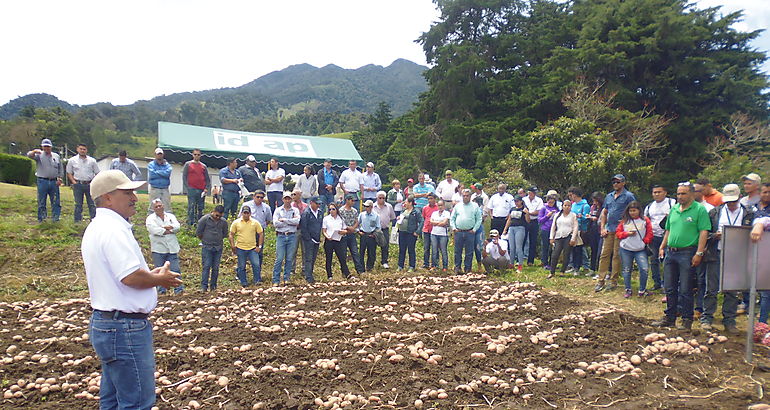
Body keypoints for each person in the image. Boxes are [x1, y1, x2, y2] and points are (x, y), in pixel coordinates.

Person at [82, 169, 181, 409]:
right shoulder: (113, 230)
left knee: (114, 400)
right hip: (124, 328)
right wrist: (160, 280)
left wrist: (152, 275)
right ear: (107, 197)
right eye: (127, 193)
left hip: (108, 324)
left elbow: (122, 275)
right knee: (136, 402)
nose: (135, 198)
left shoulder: (98, 227)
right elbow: (129, 277)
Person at [652, 182, 711, 331]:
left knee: (686, 288)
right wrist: (662, 246)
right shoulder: (674, 209)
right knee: (669, 287)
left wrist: (699, 252)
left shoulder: (699, 210)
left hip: (687, 252)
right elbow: (668, 229)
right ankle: (670, 317)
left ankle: (686, 319)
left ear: (691, 194)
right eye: (678, 194)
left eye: (683, 193)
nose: (680, 196)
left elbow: (704, 231)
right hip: (671, 252)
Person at [701, 184, 751, 333]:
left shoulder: (748, 214)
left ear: (740, 197)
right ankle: (707, 318)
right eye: (728, 201)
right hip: (716, 253)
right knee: (711, 288)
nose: (730, 204)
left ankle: (729, 321)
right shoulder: (715, 213)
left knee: (732, 289)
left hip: (736, 255)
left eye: (733, 201)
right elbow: (705, 233)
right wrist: (714, 236)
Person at [595, 174, 637, 292]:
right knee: (604, 255)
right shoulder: (609, 196)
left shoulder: (629, 196)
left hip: (620, 230)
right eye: (614, 182)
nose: (615, 184)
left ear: (623, 183)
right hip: (609, 229)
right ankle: (601, 280)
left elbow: (634, 210)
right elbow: (604, 212)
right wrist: (602, 227)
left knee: (616, 256)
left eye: (618, 182)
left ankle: (613, 281)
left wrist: (626, 223)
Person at [615, 201, 653, 298]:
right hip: (626, 248)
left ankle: (642, 289)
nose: (632, 213)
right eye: (630, 211)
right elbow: (618, 233)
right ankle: (628, 289)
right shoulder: (624, 221)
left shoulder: (645, 220)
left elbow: (650, 232)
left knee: (644, 268)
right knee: (627, 269)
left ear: (638, 211)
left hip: (640, 249)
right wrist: (627, 234)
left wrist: (646, 241)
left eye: (634, 211)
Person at [146, 198, 183, 295]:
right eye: (156, 207)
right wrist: (167, 229)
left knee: (175, 269)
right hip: (158, 249)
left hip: (172, 248)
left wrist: (166, 228)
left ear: (163, 206)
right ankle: (161, 291)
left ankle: (179, 290)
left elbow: (177, 226)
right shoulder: (150, 218)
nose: (159, 208)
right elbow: (154, 230)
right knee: (160, 270)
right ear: (153, 209)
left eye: (160, 205)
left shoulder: (170, 216)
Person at [644, 185, 676, 291]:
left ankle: (667, 284)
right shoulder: (650, 206)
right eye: (654, 192)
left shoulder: (672, 203)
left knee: (667, 261)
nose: (656, 194)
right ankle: (656, 282)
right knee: (653, 260)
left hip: (668, 236)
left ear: (665, 192)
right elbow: (646, 220)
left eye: (659, 192)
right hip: (654, 236)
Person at [27, 138, 62, 222]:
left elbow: (60, 168)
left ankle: (55, 218)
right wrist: (34, 151)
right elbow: (29, 155)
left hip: (54, 181)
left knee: (55, 201)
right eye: (45, 147)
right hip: (42, 181)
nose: (46, 148)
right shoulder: (39, 155)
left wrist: (60, 178)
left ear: (51, 147)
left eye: (48, 147)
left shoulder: (56, 156)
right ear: (42, 147)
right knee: (42, 201)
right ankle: (42, 219)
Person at [229, 205, 264, 287]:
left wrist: (259, 246)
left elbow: (261, 233)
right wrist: (232, 245)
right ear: (241, 213)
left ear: (250, 213)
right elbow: (231, 234)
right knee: (241, 266)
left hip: (252, 248)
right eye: (244, 213)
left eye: (247, 213)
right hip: (240, 248)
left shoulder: (255, 223)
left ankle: (257, 280)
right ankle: (243, 282)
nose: (246, 215)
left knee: (256, 264)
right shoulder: (236, 223)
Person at [196, 205, 228, 292]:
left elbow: (225, 233)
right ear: (213, 212)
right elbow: (199, 232)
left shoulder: (223, 222)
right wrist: (205, 239)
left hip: (218, 247)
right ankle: (204, 287)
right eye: (216, 215)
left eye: (220, 216)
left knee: (216, 267)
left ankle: (213, 287)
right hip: (207, 246)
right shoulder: (204, 219)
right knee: (206, 266)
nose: (217, 217)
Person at [66, 143, 100, 222]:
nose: (82, 151)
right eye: (81, 149)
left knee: (92, 204)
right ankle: (77, 221)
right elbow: (69, 172)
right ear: (77, 149)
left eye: (84, 149)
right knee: (78, 204)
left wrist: (93, 182)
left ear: (86, 150)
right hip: (78, 184)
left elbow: (97, 172)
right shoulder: (72, 160)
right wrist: (74, 182)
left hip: (89, 185)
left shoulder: (92, 161)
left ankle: (94, 220)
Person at [451, 189, 482, 274]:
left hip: (470, 232)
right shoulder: (458, 206)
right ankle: (457, 268)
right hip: (459, 231)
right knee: (458, 251)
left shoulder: (475, 206)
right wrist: (454, 228)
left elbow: (479, 219)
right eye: (464, 196)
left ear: (470, 196)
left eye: (467, 196)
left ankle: (468, 268)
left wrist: (474, 229)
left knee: (469, 252)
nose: (465, 197)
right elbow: (452, 218)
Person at [272, 192, 301, 285]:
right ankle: (276, 280)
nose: (287, 200)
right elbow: (276, 224)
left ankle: (286, 278)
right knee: (279, 258)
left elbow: (297, 221)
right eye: (286, 198)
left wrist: (284, 220)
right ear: (283, 199)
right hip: (281, 235)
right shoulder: (278, 210)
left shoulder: (295, 210)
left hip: (292, 235)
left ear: (291, 199)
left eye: (289, 198)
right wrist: (290, 222)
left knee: (289, 258)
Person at [240, 189, 272, 273]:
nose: (259, 199)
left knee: (259, 252)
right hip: (247, 232)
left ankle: (257, 274)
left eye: (261, 197)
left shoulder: (266, 207)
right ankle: (241, 273)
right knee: (244, 253)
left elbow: (268, 220)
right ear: (254, 197)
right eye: (257, 197)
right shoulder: (246, 205)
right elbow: (240, 217)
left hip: (259, 233)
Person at [549, 200, 579, 278]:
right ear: (562, 206)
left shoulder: (573, 215)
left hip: (568, 236)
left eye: (568, 205)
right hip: (558, 236)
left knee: (566, 254)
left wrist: (573, 238)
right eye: (565, 205)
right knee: (555, 254)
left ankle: (562, 271)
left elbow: (575, 227)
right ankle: (552, 272)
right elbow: (553, 226)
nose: (567, 207)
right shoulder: (558, 215)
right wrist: (551, 237)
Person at [322, 203, 352, 280]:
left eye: (333, 209)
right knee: (329, 258)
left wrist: (343, 232)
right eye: (330, 209)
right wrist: (327, 236)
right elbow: (324, 230)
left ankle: (347, 273)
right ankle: (329, 275)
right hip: (329, 240)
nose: (331, 211)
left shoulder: (340, 218)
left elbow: (345, 229)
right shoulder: (326, 219)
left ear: (336, 210)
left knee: (342, 257)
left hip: (338, 240)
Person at [182, 149, 211, 226]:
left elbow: (207, 179)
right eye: (195, 154)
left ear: (200, 155)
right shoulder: (188, 164)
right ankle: (190, 224)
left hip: (201, 190)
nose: (196, 156)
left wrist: (206, 189)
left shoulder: (203, 166)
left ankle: (199, 224)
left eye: (198, 154)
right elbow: (184, 177)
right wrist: (187, 188)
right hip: (191, 189)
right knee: (191, 207)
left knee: (200, 208)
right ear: (192, 155)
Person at [339, 194, 366, 275]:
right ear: (347, 200)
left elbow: (357, 221)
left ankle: (359, 270)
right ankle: (344, 272)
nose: (353, 202)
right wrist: (348, 228)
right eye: (352, 200)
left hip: (352, 234)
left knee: (355, 252)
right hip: (344, 234)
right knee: (343, 254)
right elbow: (340, 222)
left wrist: (353, 228)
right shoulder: (341, 211)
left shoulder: (354, 210)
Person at [299, 197, 323, 283]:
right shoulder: (306, 213)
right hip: (308, 239)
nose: (318, 205)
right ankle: (308, 277)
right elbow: (304, 228)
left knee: (313, 258)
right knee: (308, 258)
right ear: (311, 203)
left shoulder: (320, 213)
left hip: (316, 239)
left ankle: (310, 273)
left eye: (319, 204)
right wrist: (309, 239)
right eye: (317, 204)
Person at [567, 187, 591, 275]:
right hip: (573, 229)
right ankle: (573, 265)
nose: (570, 197)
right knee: (573, 249)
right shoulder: (573, 205)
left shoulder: (585, 205)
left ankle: (585, 266)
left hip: (581, 230)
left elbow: (587, 218)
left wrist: (581, 216)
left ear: (575, 195)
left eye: (571, 195)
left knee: (581, 249)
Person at [396, 196, 422, 271]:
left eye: (406, 202)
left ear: (410, 203)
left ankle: (412, 266)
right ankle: (400, 265)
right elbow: (401, 218)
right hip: (402, 232)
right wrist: (398, 218)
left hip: (411, 233)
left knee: (411, 249)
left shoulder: (416, 211)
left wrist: (417, 231)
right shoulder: (403, 211)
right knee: (402, 249)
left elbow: (421, 221)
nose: (405, 203)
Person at [502, 196, 527, 271]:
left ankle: (520, 264)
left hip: (520, 228)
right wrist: (505, 230)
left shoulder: (524, 209)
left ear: (521, 201)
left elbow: (528, 221)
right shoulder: (512, 209)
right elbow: (509, 219)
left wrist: (527, 213)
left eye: (517, 201)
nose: (516, 202)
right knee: (511, 247)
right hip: (511, 228)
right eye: (515, 201)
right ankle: (511, 263)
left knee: (518, 247)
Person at [373, 191, 396, 268]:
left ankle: (384, 261)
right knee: (373, 246)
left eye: (383, 198)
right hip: (375, 230)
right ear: (377, 198)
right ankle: (372, 262)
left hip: (385, 228)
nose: (382, 200)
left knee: (385, 246)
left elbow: (393, 217)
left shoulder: (389, 206)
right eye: (380, 198)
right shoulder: (373, 206)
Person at [358, 200, 381, 272]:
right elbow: (357, 223)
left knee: (371, 253)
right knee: (361, 252)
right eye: (365, 206)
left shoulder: (376, 215)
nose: (365, 208)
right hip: (363, 234)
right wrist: (358, 231)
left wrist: (374, 235)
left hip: (371, 235)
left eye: (367, 206)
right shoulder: (362, 215)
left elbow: (378, 227)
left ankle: (369, 267)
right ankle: (361, 268)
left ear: (371, 207)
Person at [146, 148, 172, 214]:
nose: (159, 155)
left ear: (163, 155)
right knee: (153, 206)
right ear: (155, 155)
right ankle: (150, 221)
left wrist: (156, 172)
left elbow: (168, 174)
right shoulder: (151, 164)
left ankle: (167, 221)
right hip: (154, 188)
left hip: (165, 188)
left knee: (167, 206)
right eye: (158, 154)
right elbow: (152, 175)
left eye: (160, 154)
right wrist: (163, 173)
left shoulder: (168, 165)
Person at [537, 196, 559, 271]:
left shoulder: (556, 209)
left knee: (553, 247)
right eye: (549, 202)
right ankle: (545, 263)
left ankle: (552, 263)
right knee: (545, 246)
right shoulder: (543, 208)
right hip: (545, 229)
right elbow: (540, 220)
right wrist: (547, 216)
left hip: (554, 230)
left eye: (553, 202)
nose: (551, 204)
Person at [523, 187, 544, 266]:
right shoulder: (524, 199)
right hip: (524, 221)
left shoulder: (539, 200)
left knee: (533, 241)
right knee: (522, 240)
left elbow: (538, 212)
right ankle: (519, 260)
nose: (532, 194)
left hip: (534, 221)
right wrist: (527, 213)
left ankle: (530, 261)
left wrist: (528, 213)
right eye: (531, 192)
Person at [430, 200, 451, 271]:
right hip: (434, 233)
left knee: (443, 250)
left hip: (443, 235)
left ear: (444, 206)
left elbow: (445, 222)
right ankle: (434, 265)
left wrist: (436, 223)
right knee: (434, 250)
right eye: (439, 205)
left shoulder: (447, 213)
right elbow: (431, 222)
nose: (440, 207)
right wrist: (440, 223)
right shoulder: (434, 213)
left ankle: (445, 266)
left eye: (441, 205)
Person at [421, 193, 440, 269]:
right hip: (426, 230)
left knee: (435, 248)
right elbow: (423, 217)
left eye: (431, 198)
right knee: (426, 247)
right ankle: (426, 263)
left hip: (435, 230)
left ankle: (435, 264)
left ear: (435, 199)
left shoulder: (438, 208)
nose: (430, 200)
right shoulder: (425, 208)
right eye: (428, 199)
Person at [587, 192, 604, 274]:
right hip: (592, 230)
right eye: (593, 200)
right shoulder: (592, 207)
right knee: (593, 250)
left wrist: (595, 218)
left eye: (596, 201)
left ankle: (599, 269)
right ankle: (592, 268)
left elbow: (602, 219)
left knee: (600, 251)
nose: (595, 202)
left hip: (600, 231)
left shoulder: (603, 208)